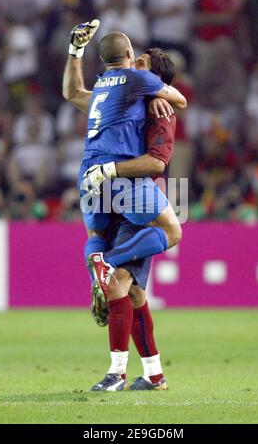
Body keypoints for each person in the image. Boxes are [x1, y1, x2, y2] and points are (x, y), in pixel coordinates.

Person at [63, 21, 186, 300]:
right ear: (128, 53)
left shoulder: (104, 92)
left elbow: (71, 93)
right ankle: (108, 264)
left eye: (144, 63)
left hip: (88, 172)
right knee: (170, 232)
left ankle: (99, 274)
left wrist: (75, 51)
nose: (137, 65)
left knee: (98, 236)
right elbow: (180, 101)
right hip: (123, 180)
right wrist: (156, 91)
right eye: (137, 59)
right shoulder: (137, 84)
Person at [89, 48, 177, 392]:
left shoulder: (161, 111)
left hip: (141, 201)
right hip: (118, 200)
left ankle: (116, 374)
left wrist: (109, 169)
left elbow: (157, 163)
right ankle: (155, 374)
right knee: (136, 294)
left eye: (141, 65)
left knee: (116, 284)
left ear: (155, 78)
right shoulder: (135, 100)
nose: (132, 68)